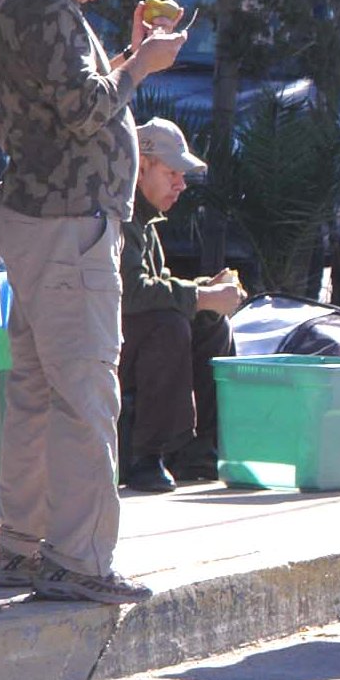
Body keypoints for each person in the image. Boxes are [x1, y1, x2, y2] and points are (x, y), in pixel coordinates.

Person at [0, 0, 186, 602]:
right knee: (86, 392)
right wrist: (142, 67)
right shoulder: (40, 6)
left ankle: (24, 549)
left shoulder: (35, 3)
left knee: (41, 391)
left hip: (50, 221)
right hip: (67, 225)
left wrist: (128, 54)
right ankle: (78, 561)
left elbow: (75, 96)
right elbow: (84, 110)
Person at [118, 118, 245, 492]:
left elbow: (159, 286)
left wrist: (207, 291)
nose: (181, 184)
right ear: (142, 167)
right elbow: (132, 293)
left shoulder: (146, 223)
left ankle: (198, 451)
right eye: (172, 172)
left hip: (129, 342)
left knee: (211, 323)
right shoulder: (120, 218)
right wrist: (201, 295)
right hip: (100, 349)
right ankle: (147, 457)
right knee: (168, 325)